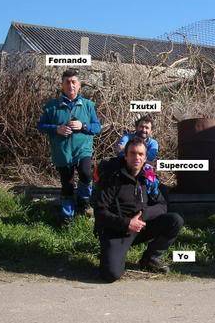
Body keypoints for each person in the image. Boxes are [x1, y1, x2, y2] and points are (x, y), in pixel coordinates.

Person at [93, 138, 184, 281]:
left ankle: (150, 259)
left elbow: (162, 205)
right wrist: (127, 223)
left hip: (140, 227)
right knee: (111, 275)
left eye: (141, 154)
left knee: (175, 220)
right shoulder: (113, 179)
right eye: (133, 153)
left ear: (145, 157)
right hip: (117, 230)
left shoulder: (148, 177)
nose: (137, 157)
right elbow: (99, 212)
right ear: (126, 155)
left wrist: (142, 216)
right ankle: (110, 253)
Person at [37, 68, 102, 224]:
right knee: (67, 183)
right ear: (62, 85)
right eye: (67, 82)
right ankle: (67, 216)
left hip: (83, 150)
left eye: (74, 82)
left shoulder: (87, 105)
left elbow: (97, 127)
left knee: (86, 174)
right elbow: (40, 126)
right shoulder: (52, 106)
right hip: (62, 152)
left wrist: (83, 125)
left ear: (79, 85)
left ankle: (83, 202)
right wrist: (56, 129)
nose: (70, 85)